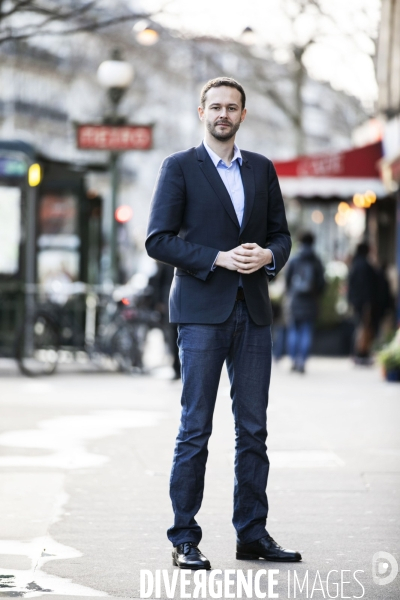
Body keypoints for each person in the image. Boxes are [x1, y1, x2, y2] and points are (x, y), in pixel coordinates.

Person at [146, 77, 301, 570]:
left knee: (253, 430)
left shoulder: (261, 169)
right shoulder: (179, 167)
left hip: (253, 312)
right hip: (201, 315)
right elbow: (158, 240)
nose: (223, 114)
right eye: (215, 106)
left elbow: (281, 235)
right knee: (196, 428)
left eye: (231, 107)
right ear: (201, 112)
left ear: (242, 114)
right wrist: (217, 258)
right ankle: (184, 537)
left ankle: (251, 534)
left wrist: (267, 256)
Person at [285, 231, 325, 373]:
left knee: (294, 330)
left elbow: (288, 281)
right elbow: (321, 283)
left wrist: (290, 294)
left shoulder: (295, 259)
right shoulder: (316, 260)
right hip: (311, 301)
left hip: (296, 300)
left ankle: (294, 360)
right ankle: (302, 361)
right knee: (307, 331)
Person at [347, 242, 378, 364]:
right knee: (363, 326)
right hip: (364, 301)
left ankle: (358, 353)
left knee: (359, 326)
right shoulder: (366, 266)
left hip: (356, 301)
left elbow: (351, 284)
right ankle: (360, 352)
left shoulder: (355, 264)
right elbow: (369, 287)